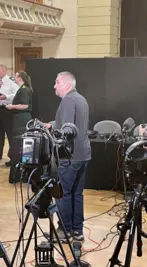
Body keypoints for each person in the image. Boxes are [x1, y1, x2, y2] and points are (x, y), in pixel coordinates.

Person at [53, 71, 91, 241]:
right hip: (83, 154)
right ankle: (77, 230)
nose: (54, 86)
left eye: (57, 82)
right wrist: (53, 124)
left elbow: (67, 130)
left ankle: (65, 230)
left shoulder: (68, 100)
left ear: (67, 85)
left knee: (64, 193)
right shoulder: (80, 98)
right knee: (77, 193)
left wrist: (56, 134)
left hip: (69, 156)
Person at [0, 64, 19, 165]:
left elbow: (17, 93)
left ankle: (12, 155)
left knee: (10, 133)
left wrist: (6, 96)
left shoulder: (11, 81)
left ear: (4, 71)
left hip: (7, 109)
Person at [6, 71, 34, 183]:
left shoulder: (23, 90)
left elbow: (25, 105)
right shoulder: (24, 88)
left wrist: (11, 106)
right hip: (21, 119)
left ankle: (18, 175)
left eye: (16, 76)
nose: (14, 77)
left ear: (20, 78)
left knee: (19, 146)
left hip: (21, 120)